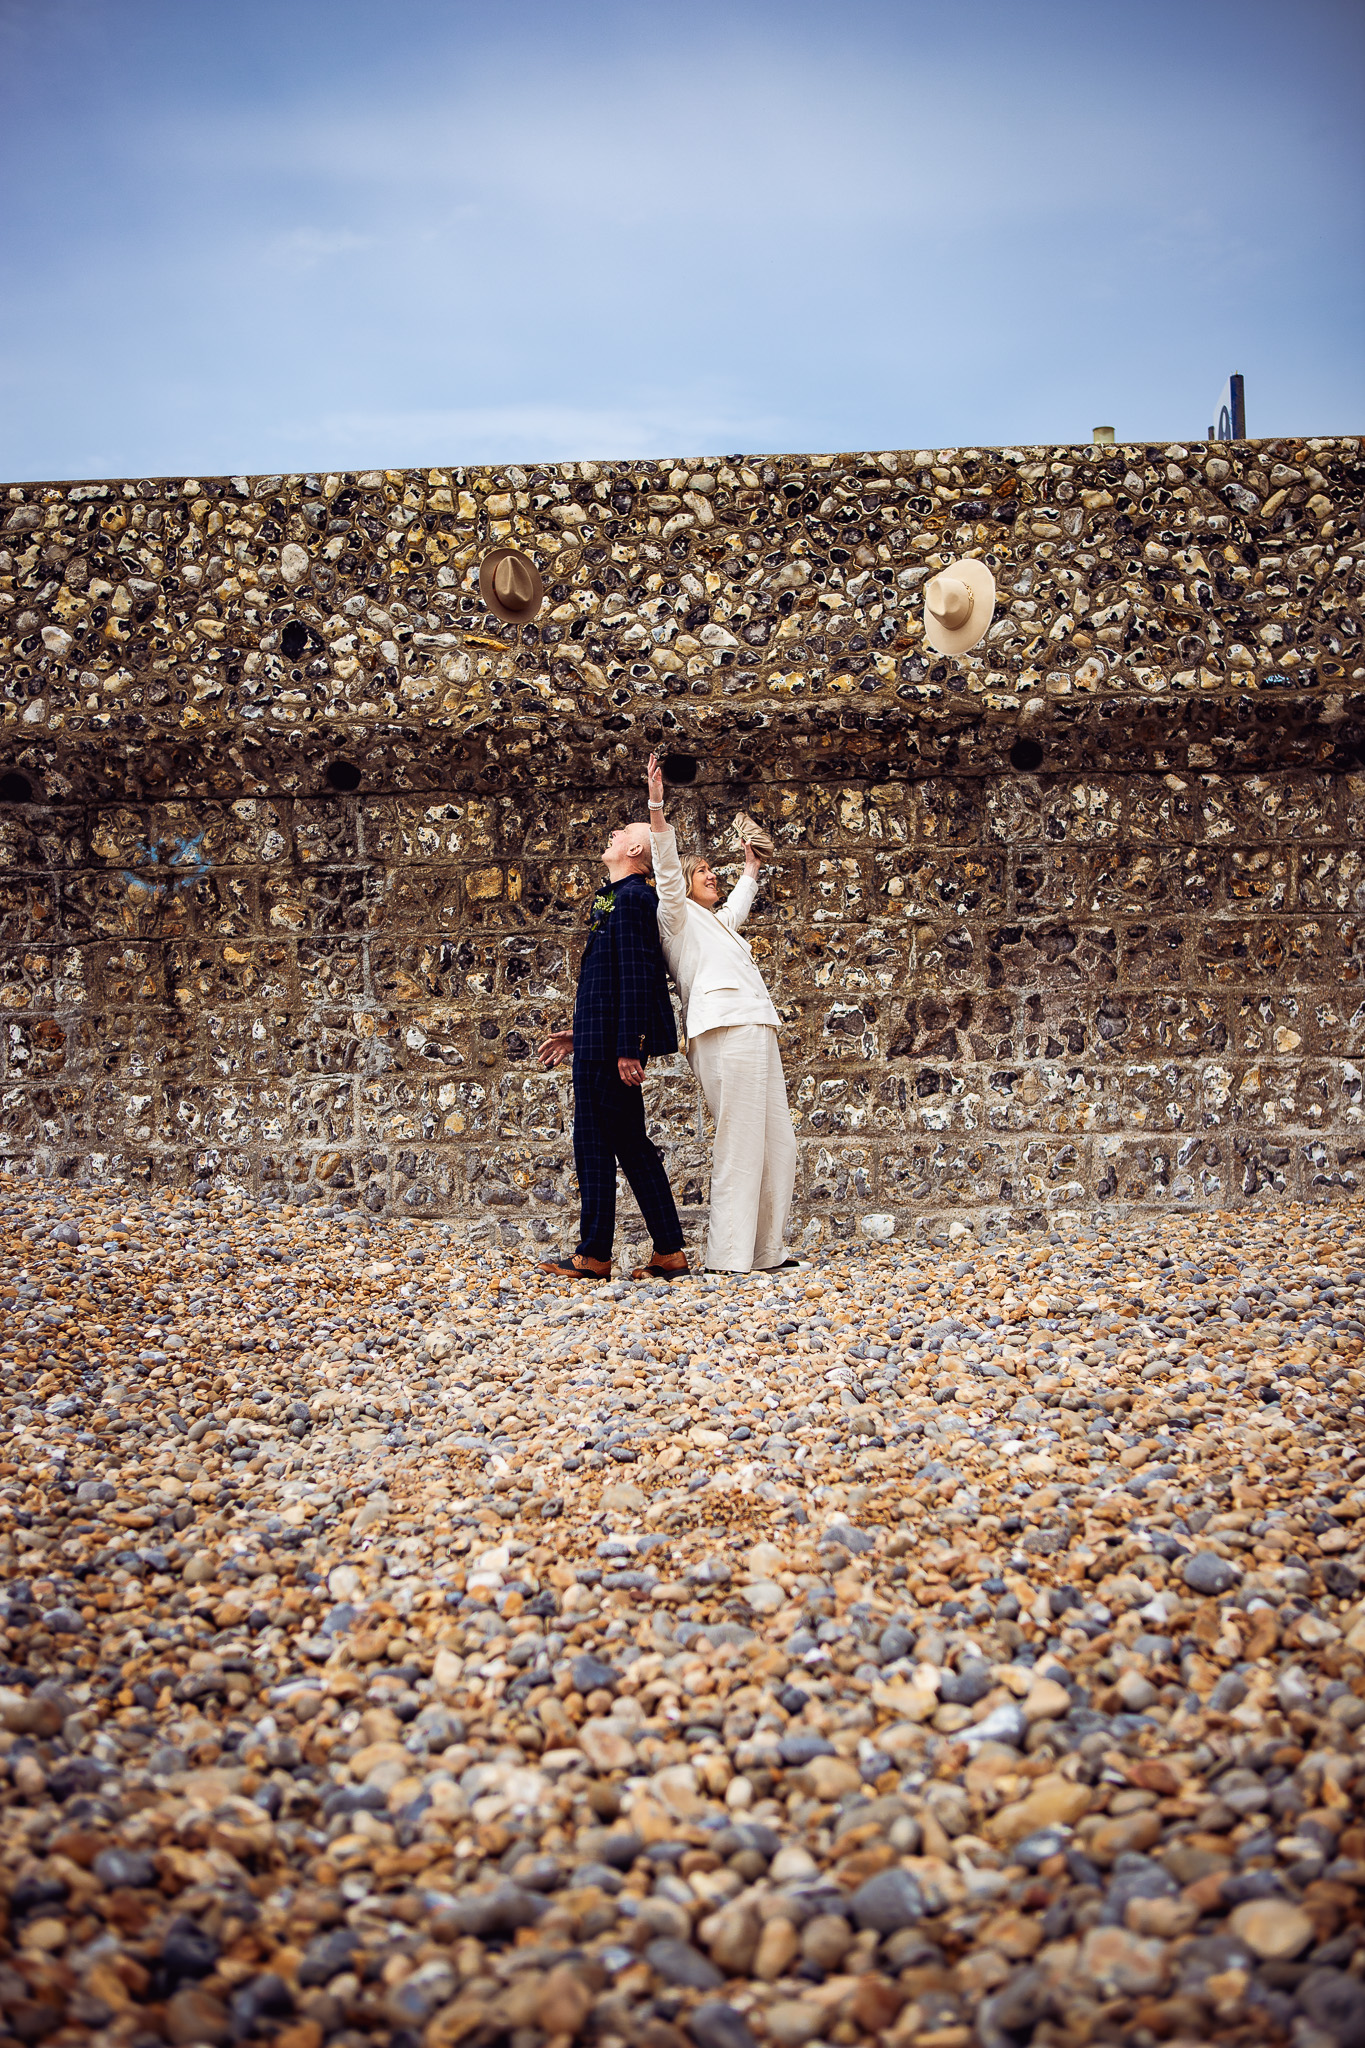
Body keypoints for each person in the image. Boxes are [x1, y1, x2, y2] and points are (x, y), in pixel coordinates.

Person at [646, 753, 797, 1273]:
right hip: (722, 1027)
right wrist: (657, 807)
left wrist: (751, 867)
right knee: (739, 1138)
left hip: (756, 1023)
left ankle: (766, 1251)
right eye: (704, 870)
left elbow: (737, 905)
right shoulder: (676, 918)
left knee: (780, 1143)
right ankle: (729, 1256)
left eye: (714, 869)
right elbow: (666, 868)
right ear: (685, 883)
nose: (711, 875)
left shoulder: (719, 924)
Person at [535, 814, 689, 1282]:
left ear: (637, 852)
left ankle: (600, 1254)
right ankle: (655, 1252)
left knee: (612, 1145)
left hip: (612, 1051)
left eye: (623, 832)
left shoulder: (634, 899)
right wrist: (578, 1035)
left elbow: (639, 979)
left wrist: (629, 1048)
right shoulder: (617, 900)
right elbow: (608, 985)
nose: (613, 834)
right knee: (613, 1144)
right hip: (598, 1045)